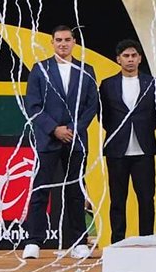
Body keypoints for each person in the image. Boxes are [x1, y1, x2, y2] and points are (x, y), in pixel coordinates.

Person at [21, 25, 99, 259]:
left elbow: (91, 105)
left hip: (76, 141)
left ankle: (78, 241)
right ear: (52, 43)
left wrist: (74, 129)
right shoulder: (39, 69)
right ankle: (33, 241)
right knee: (41, 188)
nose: (63, 44)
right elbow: (32, 106)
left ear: (74, 42)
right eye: (58, 40)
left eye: (67, 39)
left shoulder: (86, 70)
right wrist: (54, 129)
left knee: (75, 190)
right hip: (48, 139)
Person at [97, 39, 156, 243]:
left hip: (144, 149)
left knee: (146, 199)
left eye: (133, 56)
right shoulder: (108, 84)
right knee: (117, 199)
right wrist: (119, 132)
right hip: (117, 150)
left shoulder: (151, 82)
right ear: (118, 59)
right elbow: (103, 115)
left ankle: (147, 239)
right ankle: (117, 241)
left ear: (140, 58)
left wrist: (143, 129)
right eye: (125, 56)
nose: (130, 60)